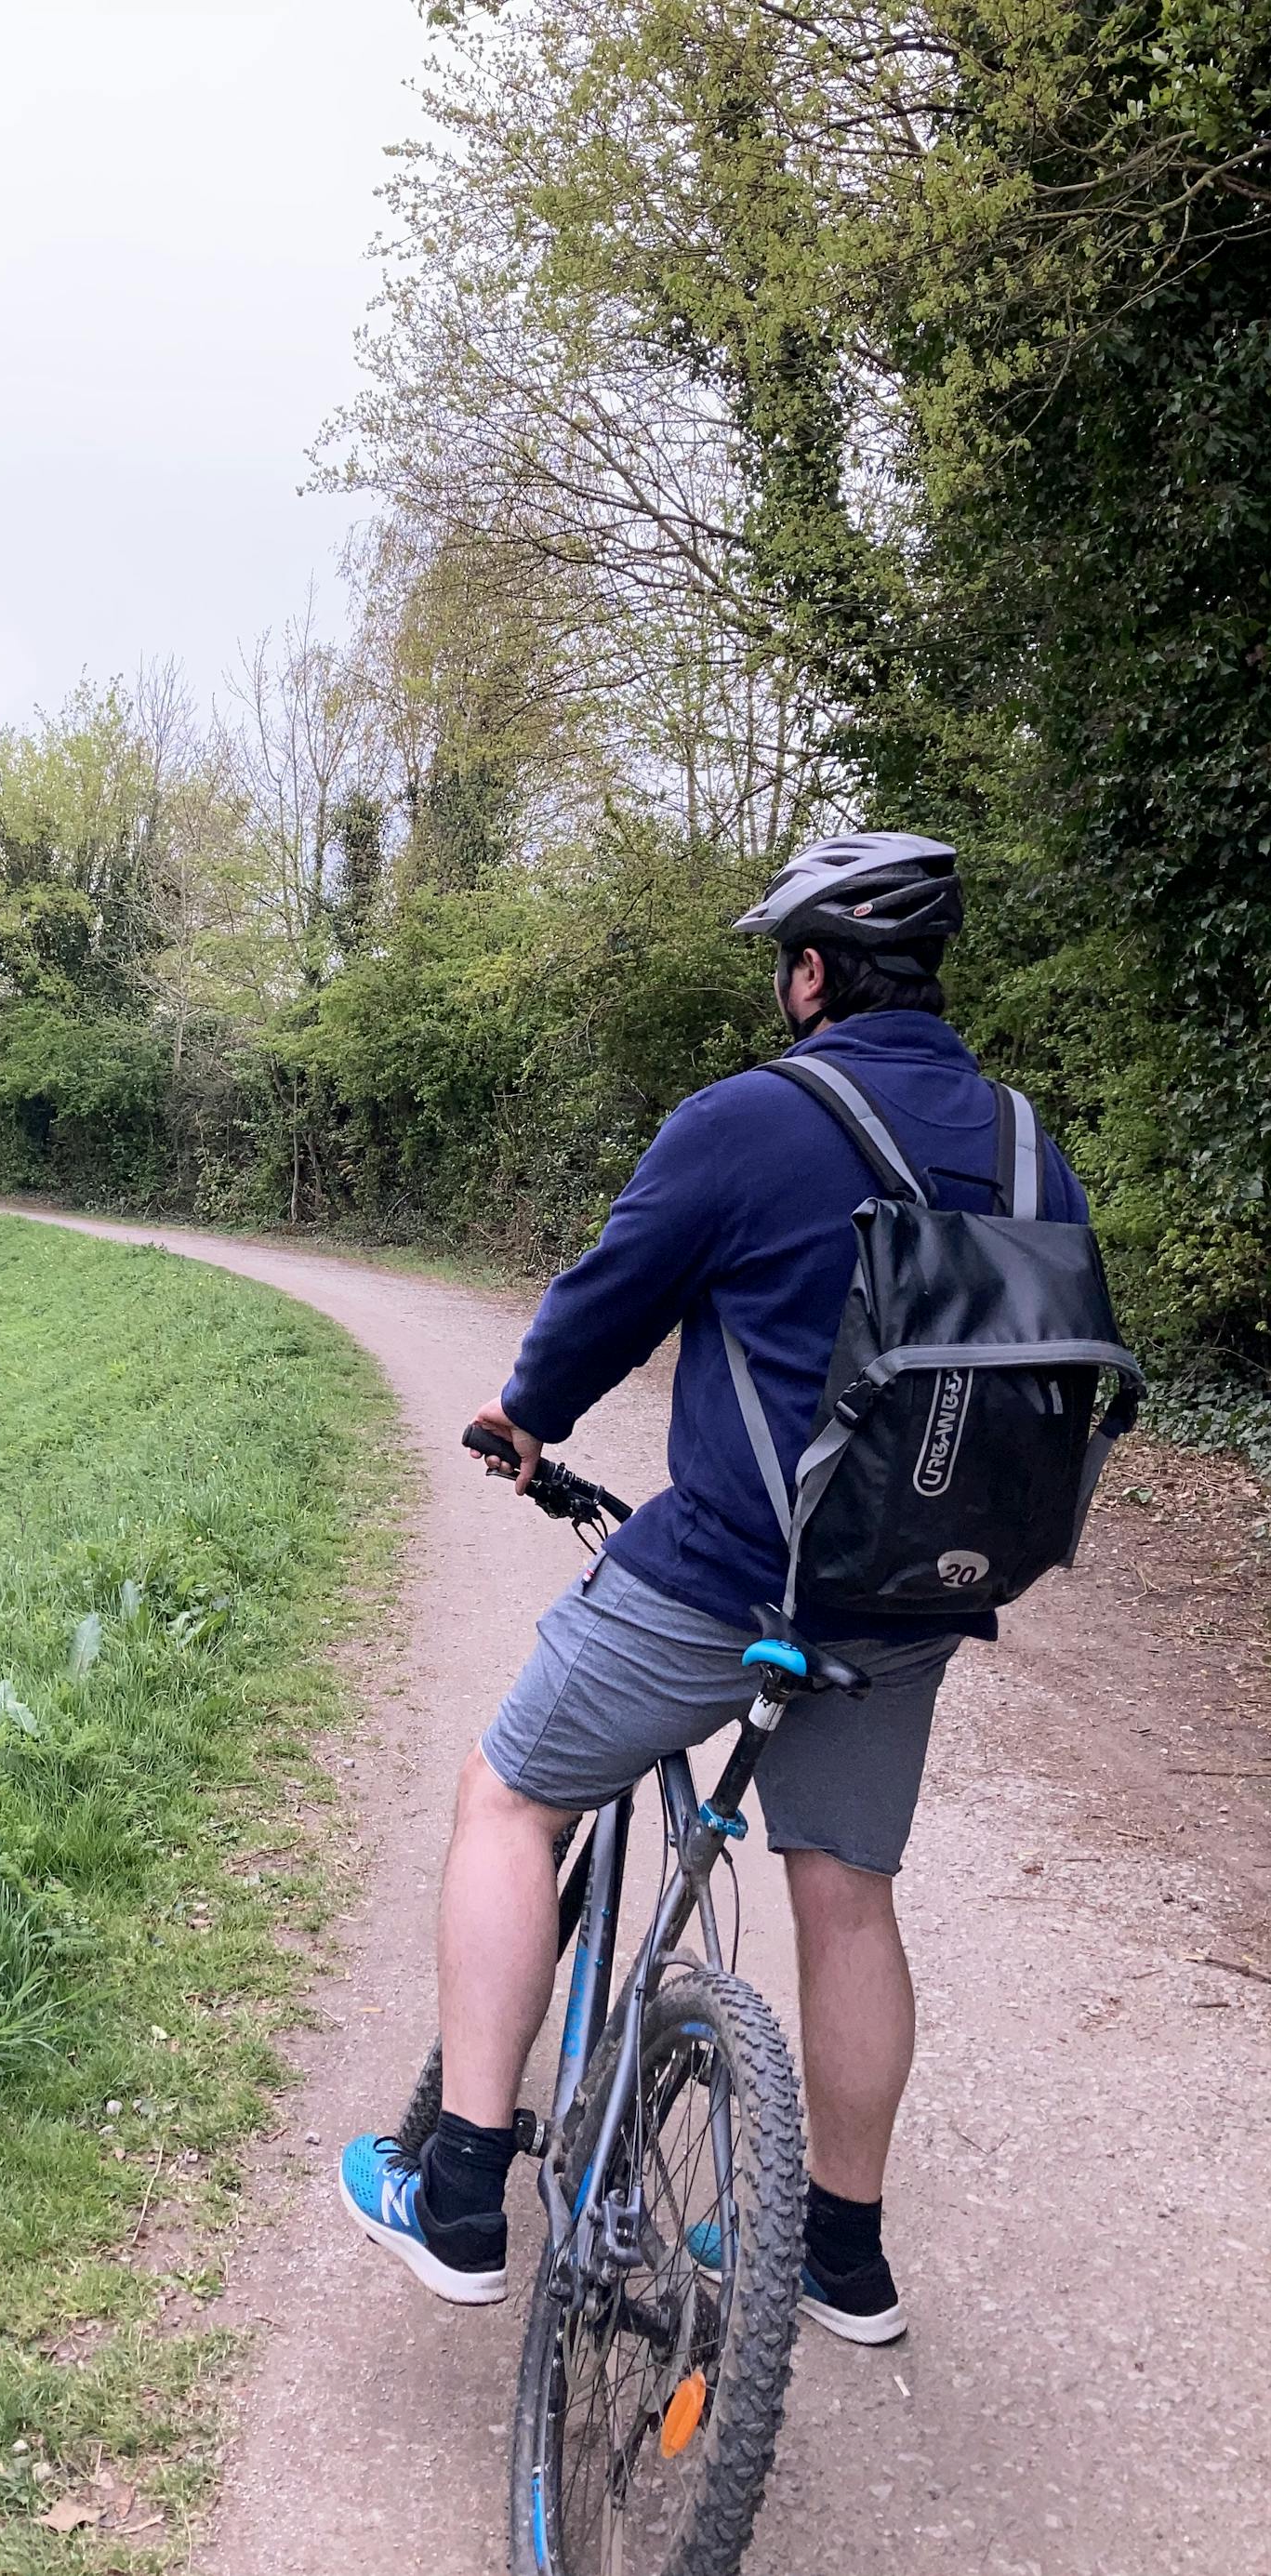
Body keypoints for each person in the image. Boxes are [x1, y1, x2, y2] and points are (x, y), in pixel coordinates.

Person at [337, 826, 1070, 2348]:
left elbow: (614, 1290)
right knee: (849, 1893)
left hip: (726, 1579)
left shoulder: (751, 1120)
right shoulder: (1023, 1145)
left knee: (508, 1797)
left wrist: (525, 1417)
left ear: (812, 975)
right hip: (910, 1598)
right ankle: (842, 2258)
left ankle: (461, 2191)